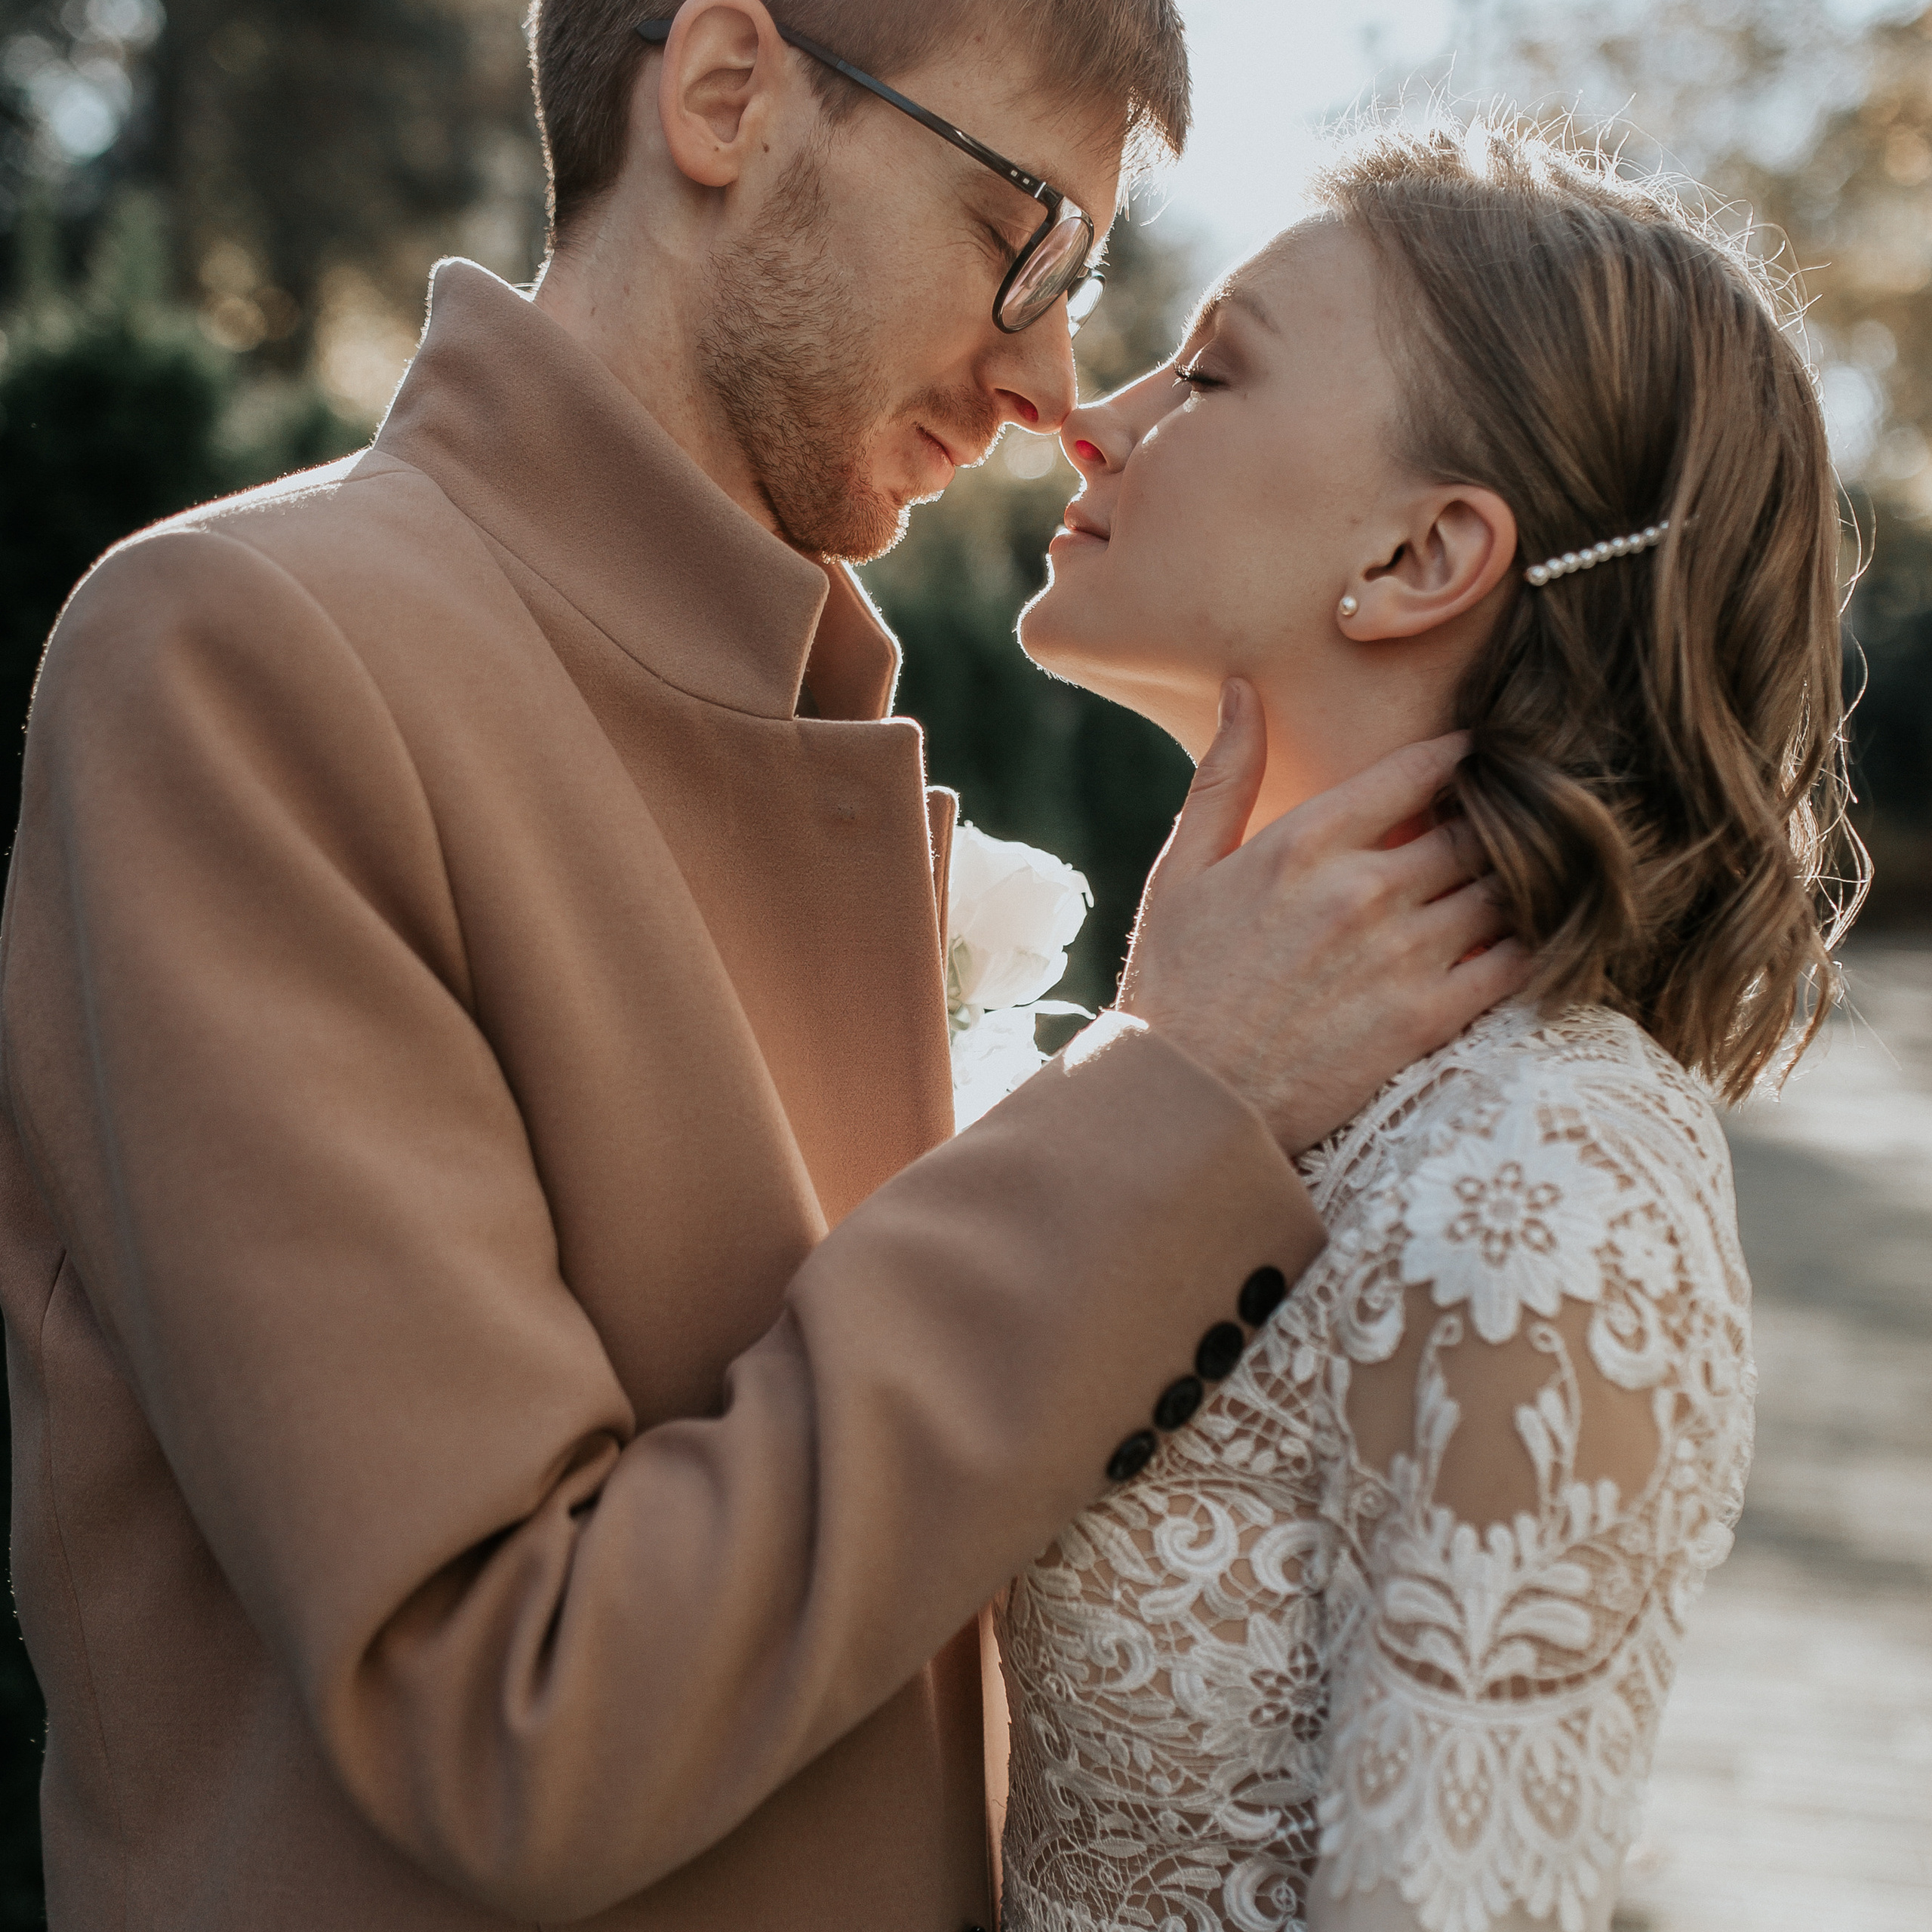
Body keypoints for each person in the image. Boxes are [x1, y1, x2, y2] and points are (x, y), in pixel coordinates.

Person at [0, 6, 1531, 1929]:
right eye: (1023, 232)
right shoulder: (243, 654)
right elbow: (512, 1711)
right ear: (729, 95)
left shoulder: (814, 713)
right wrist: (1171, 1096)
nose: (1051, 373)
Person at [996, 118, 1858, 1932]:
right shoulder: (1199, 1054)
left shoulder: (1544, 1185)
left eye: (1210, 369)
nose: (1093, 410)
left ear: (1415, 555)